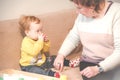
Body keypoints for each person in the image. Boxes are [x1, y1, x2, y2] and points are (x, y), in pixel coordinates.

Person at [54, 0, 120, 80]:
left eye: (79, 8)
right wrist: (61, 55)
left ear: (92, 5)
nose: (77, 12)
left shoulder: (116, 12)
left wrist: (98, 68)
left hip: (114, 63)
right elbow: (73, 37)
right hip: (89, 63)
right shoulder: (82, 16)